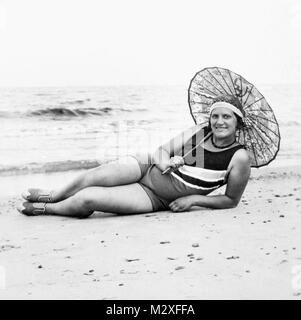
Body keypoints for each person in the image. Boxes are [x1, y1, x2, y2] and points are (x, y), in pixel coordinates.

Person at [18, 95, 251, 218]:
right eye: (215, 116)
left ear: (238, 122)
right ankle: (54, 195)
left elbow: (231, 200)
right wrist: (166, 163)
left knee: (88, 199)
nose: (219, 122)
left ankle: (46, 209)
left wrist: (194, 200)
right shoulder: (200, 131)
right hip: (146, 167)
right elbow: (161, 151)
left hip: (153, 197)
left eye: (227, 117)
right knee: (94, 175)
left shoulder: (239, 158)